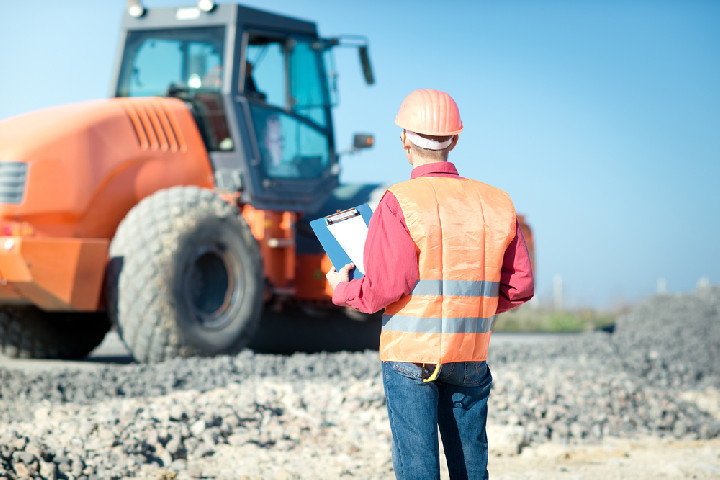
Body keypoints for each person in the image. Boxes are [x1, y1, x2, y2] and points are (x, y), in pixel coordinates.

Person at [325, 89, 534, 480]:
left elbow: (386, 288)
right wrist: (474, 307)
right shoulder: (497, 201)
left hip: (409, 357)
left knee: (418, 468)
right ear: (454, 140)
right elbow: (519, 286)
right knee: (471, 468)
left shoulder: (398, 201)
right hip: (469, 354)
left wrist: (343, 289)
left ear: (405, 138)